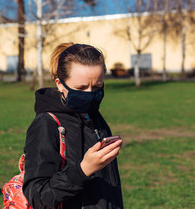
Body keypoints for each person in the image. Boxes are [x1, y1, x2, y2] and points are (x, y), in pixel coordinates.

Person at [23, 43, 123, 209]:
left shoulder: (94, 116)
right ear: (60, 84)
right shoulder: (46, 124)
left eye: (97, 86)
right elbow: (37, 196)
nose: (90, 94)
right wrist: (83, 170)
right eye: (81, 88)